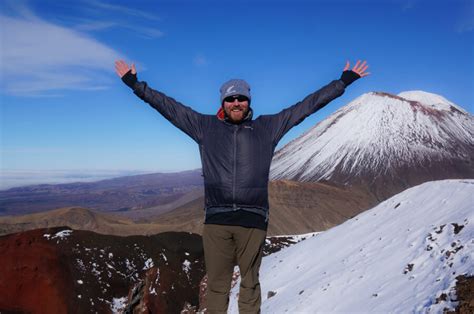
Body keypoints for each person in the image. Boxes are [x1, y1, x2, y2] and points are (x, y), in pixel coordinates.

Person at [115, 59, 369, 313]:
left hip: (253, 220)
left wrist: (343, 81)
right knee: (217, 286)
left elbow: (307, 106)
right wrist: (135, 84)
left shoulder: (267, 127)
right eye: (230, 99)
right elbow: (168, 107)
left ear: (249, 102)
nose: (236, 103)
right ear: (222, 104)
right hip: (217, 220)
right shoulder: (204, 127)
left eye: (241, 98)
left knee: (250, 284)